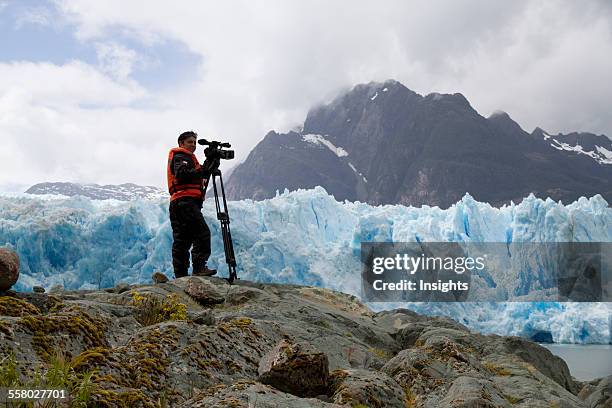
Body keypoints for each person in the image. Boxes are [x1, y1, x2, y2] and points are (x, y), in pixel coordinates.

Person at [167, 131, 220, 278]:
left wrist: (210, 163)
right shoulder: (180, 156)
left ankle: (181, 276)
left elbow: (199, 174)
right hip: (185, 202)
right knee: (202, 233)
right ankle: (198, 267)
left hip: (180, 203)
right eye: (190, 142)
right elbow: (182, 174)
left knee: (182, 241)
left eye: (195, 142)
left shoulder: (186, 158)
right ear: (181, 143)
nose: (193, 145)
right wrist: (202, 169)